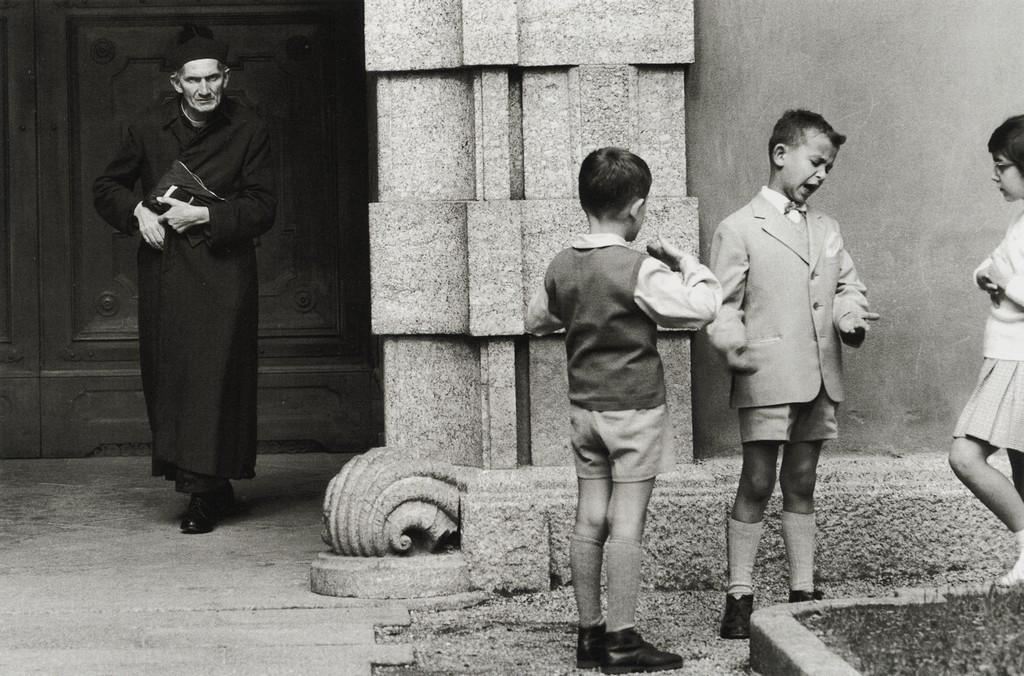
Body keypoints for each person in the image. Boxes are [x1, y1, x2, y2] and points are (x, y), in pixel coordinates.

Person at [526, 147, 720, 673]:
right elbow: (702, 309)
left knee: (589, 517)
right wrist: (687, 264)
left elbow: (537, 320)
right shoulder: (640, 268)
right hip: (634, 411)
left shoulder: (562, 264)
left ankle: (588, 634)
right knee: (627, 522)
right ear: (636, 209)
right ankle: (622, 640)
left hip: (584, 410)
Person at [93, 24, 276, 534]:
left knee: (218, 379)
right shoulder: (148, 126)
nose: (204, 90)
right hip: (166, 272)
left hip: (224, 272)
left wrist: (207, 219)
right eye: (193, 81)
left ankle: (204, 493)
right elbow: (106, 185)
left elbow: (263, 207)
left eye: (213, 79)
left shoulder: (249, 128)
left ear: (226, 78)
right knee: (176, 378)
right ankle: (205, 484)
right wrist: (137, 212)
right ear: (176, 83)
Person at [707, 110, 878, 639]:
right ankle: (739, 594)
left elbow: (848, 285)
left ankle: (802, 590)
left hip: (820, 376)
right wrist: (731, 343)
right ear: (782, 155)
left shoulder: (828, 228)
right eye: (816, 161)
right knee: (757, 480)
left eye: (829, 167)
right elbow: (723, 303)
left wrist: (849, 315)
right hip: (766, 373)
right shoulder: (738, 227)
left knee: (801, 480)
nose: (822, 174)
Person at [948, 114, 1024, 587]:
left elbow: (1010, 276)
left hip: (1018, 359)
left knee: (965, 455)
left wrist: (1003, 282)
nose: (994, 176)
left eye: (1002, 166)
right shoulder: (1021, 221)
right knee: (1020, 469)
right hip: (1007, 356)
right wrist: (986, 275)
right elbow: (994, 263)